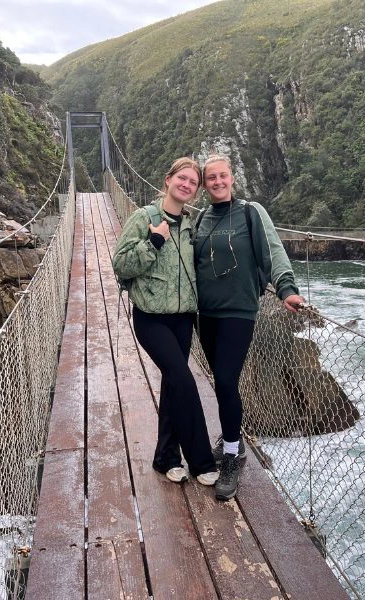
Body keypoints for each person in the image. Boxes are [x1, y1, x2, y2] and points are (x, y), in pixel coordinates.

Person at [193, 154, 305, 501]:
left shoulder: (250, 212)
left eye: (222, 175)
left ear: (232, 178)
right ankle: (231, 437)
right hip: (204, 313)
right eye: (210, 177)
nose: (217, 181)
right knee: (220, 381)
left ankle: (232, 456)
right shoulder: (199, 219)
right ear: (204, 184)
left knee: (227, 380)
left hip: (239, 311)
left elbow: (273, 251)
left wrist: (286, 288)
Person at [112, 157, 218, 486]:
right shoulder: (145, 217)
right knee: (184, 380)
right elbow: (121, 264)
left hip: (183, 318)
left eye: (192, 183)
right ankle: (201, 462)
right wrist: (154, 242)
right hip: (151, 318)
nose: (186, 185)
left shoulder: (191, 224)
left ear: (196, 191)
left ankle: (166, 458)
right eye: (181, 179)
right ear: (168, 179)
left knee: (174, 384)